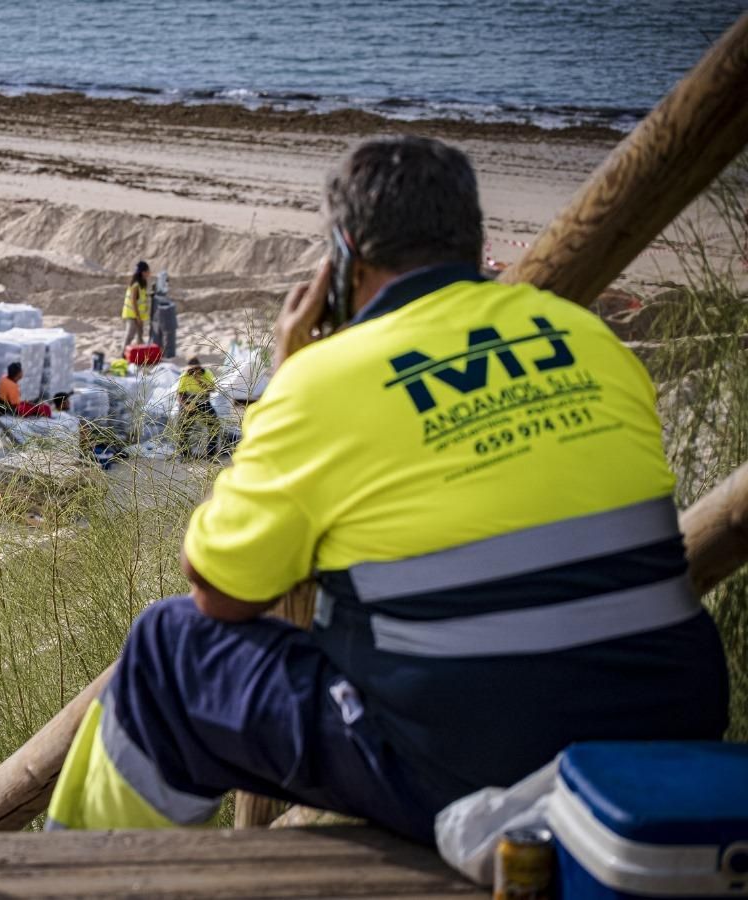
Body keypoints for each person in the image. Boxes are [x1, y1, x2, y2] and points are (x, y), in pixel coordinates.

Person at [46, 136, 728, 841]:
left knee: (168, 651)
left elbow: (220, 590)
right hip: (672, 725)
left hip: (481, 760)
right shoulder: (593, 342)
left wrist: (289, 375)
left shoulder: (325, 379)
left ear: (342, 258)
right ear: (472, 239)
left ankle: (86, 873)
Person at [172, 356, 237, 458]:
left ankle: (210, 453)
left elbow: (212, 390)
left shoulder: (206, 374)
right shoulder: (184, 376)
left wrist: (199, 380)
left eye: (195, 369)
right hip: (188, 403)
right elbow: (180, 394)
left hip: (203, 403)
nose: (193, 372)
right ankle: (185, 454)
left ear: (199, 368)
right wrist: (186, 405)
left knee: (214, 426)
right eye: (191, 370)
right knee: (182, 429)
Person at [121, 260, 152, 353]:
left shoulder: (142, 284)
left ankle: (141, 355)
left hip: (138, 315)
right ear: (143, 272)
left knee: (140, 335)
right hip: (132, 315)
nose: (149, 273)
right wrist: (138, 317)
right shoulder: (135, 285)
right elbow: (133, 301)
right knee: (129, 335)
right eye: (147, 271)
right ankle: (123, 355)